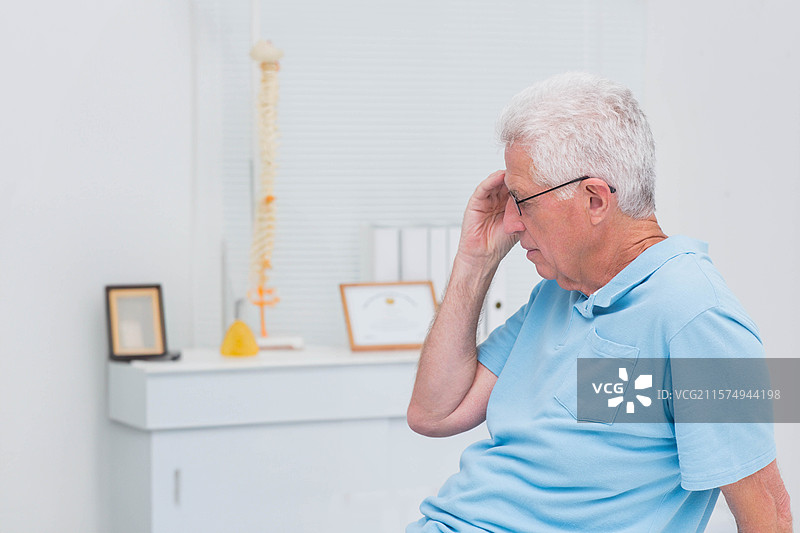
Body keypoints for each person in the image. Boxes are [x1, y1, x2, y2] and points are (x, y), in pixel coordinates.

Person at [405, 72, 792, 532]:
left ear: (593, 199)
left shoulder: (696, 317)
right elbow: (434, 414)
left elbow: (766, 510)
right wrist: (474, 262)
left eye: (522, 199)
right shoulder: (557, 293)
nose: (510, 221)